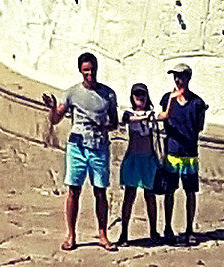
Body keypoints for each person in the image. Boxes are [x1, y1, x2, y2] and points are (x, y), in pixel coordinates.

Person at [41, 53, 120, 251]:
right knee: (73, 191)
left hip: (99, 146)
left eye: (92, 69)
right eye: (86, 70)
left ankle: (103, 234)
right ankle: (71, 235)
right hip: (77, 146)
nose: (89, 74)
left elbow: (115, 122)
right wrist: (52, 108)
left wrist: (104, 125)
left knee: (100, 191)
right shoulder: (71, 93)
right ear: (80, 71)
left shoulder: (108, 94)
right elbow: (55, 119)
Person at [157, 64, 208, 243]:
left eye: (181, 77)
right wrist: (171, 101)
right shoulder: (167, 98)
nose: (178, 81)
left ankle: (189, 229)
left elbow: (199, 126)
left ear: (188, 78)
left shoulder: (197, 103)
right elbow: (163, 117)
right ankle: (168, 227)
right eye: (176, 77)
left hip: (189, 153)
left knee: (190, 192)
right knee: (169, 191)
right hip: (172, 151)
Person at [115, 85, 162, 245]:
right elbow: (127, 119)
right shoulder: (129, 112)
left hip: (148, 159)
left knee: (150, 196)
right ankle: (124, 233)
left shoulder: (152, 113)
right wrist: (144, 118)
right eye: (137, 94)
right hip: (134, 159)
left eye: (142, 94)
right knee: (129, 196)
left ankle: (154, 230)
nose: (140, 97)